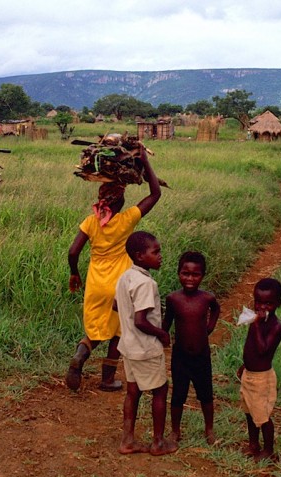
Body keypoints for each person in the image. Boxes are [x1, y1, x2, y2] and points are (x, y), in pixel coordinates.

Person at [66, 147, 161, 391]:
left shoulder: (90, 222)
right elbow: (155, 193)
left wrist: (74, 273)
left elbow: (73, 252)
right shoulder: (126, 220)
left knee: (96, 331)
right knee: (118, 333)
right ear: (119, 200)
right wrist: (146, 162)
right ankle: (107, 379)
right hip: (119, 286)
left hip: (96, 284)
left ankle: (80, 356)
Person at [115, 231, 177, 456]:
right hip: (145, 348)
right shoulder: (145, 284)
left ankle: (127, 440)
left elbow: (116, 306)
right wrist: (162, 334)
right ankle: (158, 443)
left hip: (129, 346)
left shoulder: (125, 278)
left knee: (133, 391)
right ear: (140, 256)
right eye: (156, 252)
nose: (160, 256)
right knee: (160, 390)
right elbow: (141, 321)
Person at [163, 251, 220, 444]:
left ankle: (209, 429)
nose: (189, 278)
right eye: (185, 273)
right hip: (180, 356)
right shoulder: (173, 298)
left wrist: (210, 327)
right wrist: (163, 337)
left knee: (205, 394)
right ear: (178, 273)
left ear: (202, 276)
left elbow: (216, 309)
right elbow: (167, 321)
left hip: (202, 355)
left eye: (195, 274)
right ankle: (175, 431)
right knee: (178, 394)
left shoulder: (207, 298)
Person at [238, 278, 281, 461]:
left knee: (262, 416)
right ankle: (253, 444)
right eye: (258, 302)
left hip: (262, 379)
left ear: (278, 304)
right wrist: (245, 365)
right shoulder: (257, 321)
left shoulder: (275, 326)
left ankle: (269, 450)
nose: (262, 307)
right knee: (249, 412)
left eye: (268, 303)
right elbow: (251, 347)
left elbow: (264, 349)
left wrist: (256, 323)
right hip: (249, 374)